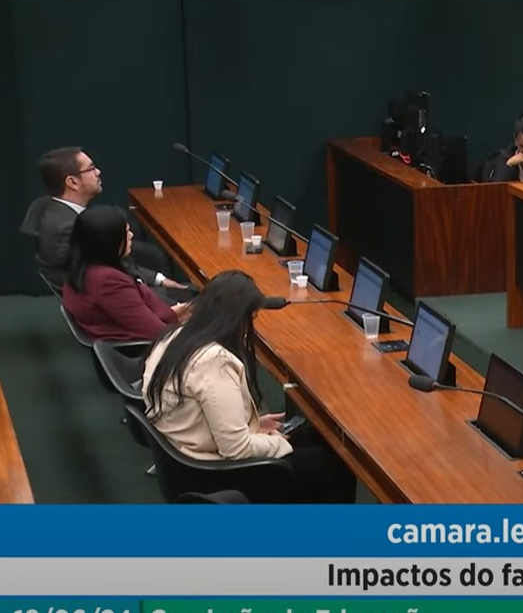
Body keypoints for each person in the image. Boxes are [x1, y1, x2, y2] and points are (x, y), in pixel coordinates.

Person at [141, 270, 356, 503]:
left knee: (313, 436)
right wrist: (278, 442)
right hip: (216, 474)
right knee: (336, 464)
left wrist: (254, 425)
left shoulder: (172, 337)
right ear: (236, 320)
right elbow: (237, 449)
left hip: (188, 457)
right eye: (250, 320)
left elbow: (198, 413)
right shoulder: (214, 362)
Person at [18, 146, 187, 296]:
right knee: (195, 302)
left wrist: (158, 279)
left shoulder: (57, 212)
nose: (98, 172)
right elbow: (106, 273)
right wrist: (154, 289)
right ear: (72, 182)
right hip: (115, 300)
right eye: (91, 169)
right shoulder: (66, 228)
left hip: (115, 290)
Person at [61, 205, 188, 341]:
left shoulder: (82, 267)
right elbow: (156, 332)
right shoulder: (107, 281)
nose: (131, 235)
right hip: (143, 346)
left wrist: (181, 311)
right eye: (126, 232)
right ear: (109, 241)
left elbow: (134, 311)